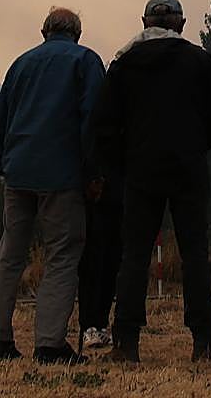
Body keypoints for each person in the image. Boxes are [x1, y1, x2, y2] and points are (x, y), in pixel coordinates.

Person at [91, 0, 211, 364]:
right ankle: (205, 342)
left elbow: (104, 125)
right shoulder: (200, 61)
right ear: (181, 24)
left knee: (135, 255)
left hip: (141, 171)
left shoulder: (124, 65)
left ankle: (126, 344)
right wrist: (193, 146)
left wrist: (123, 161)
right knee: (195, 256)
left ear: (144, 23)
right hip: (187, 169)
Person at [0, 7, 105, 364]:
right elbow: (92, 121)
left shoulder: (21, 64)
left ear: (43, 31)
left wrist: (0, 161)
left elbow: (0, 118)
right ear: (77, 33)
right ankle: (49, 344)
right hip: (62, 176)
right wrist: (93, 173)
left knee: (10, 253)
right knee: (63, 255)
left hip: (18, 171)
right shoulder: (85, 61)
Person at [76, 149, 123, 350]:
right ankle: (88, 326)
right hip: (95, 189)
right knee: (92, 260)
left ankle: (101, 324)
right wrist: (93, 176)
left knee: (112, 262)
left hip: (118, 188)